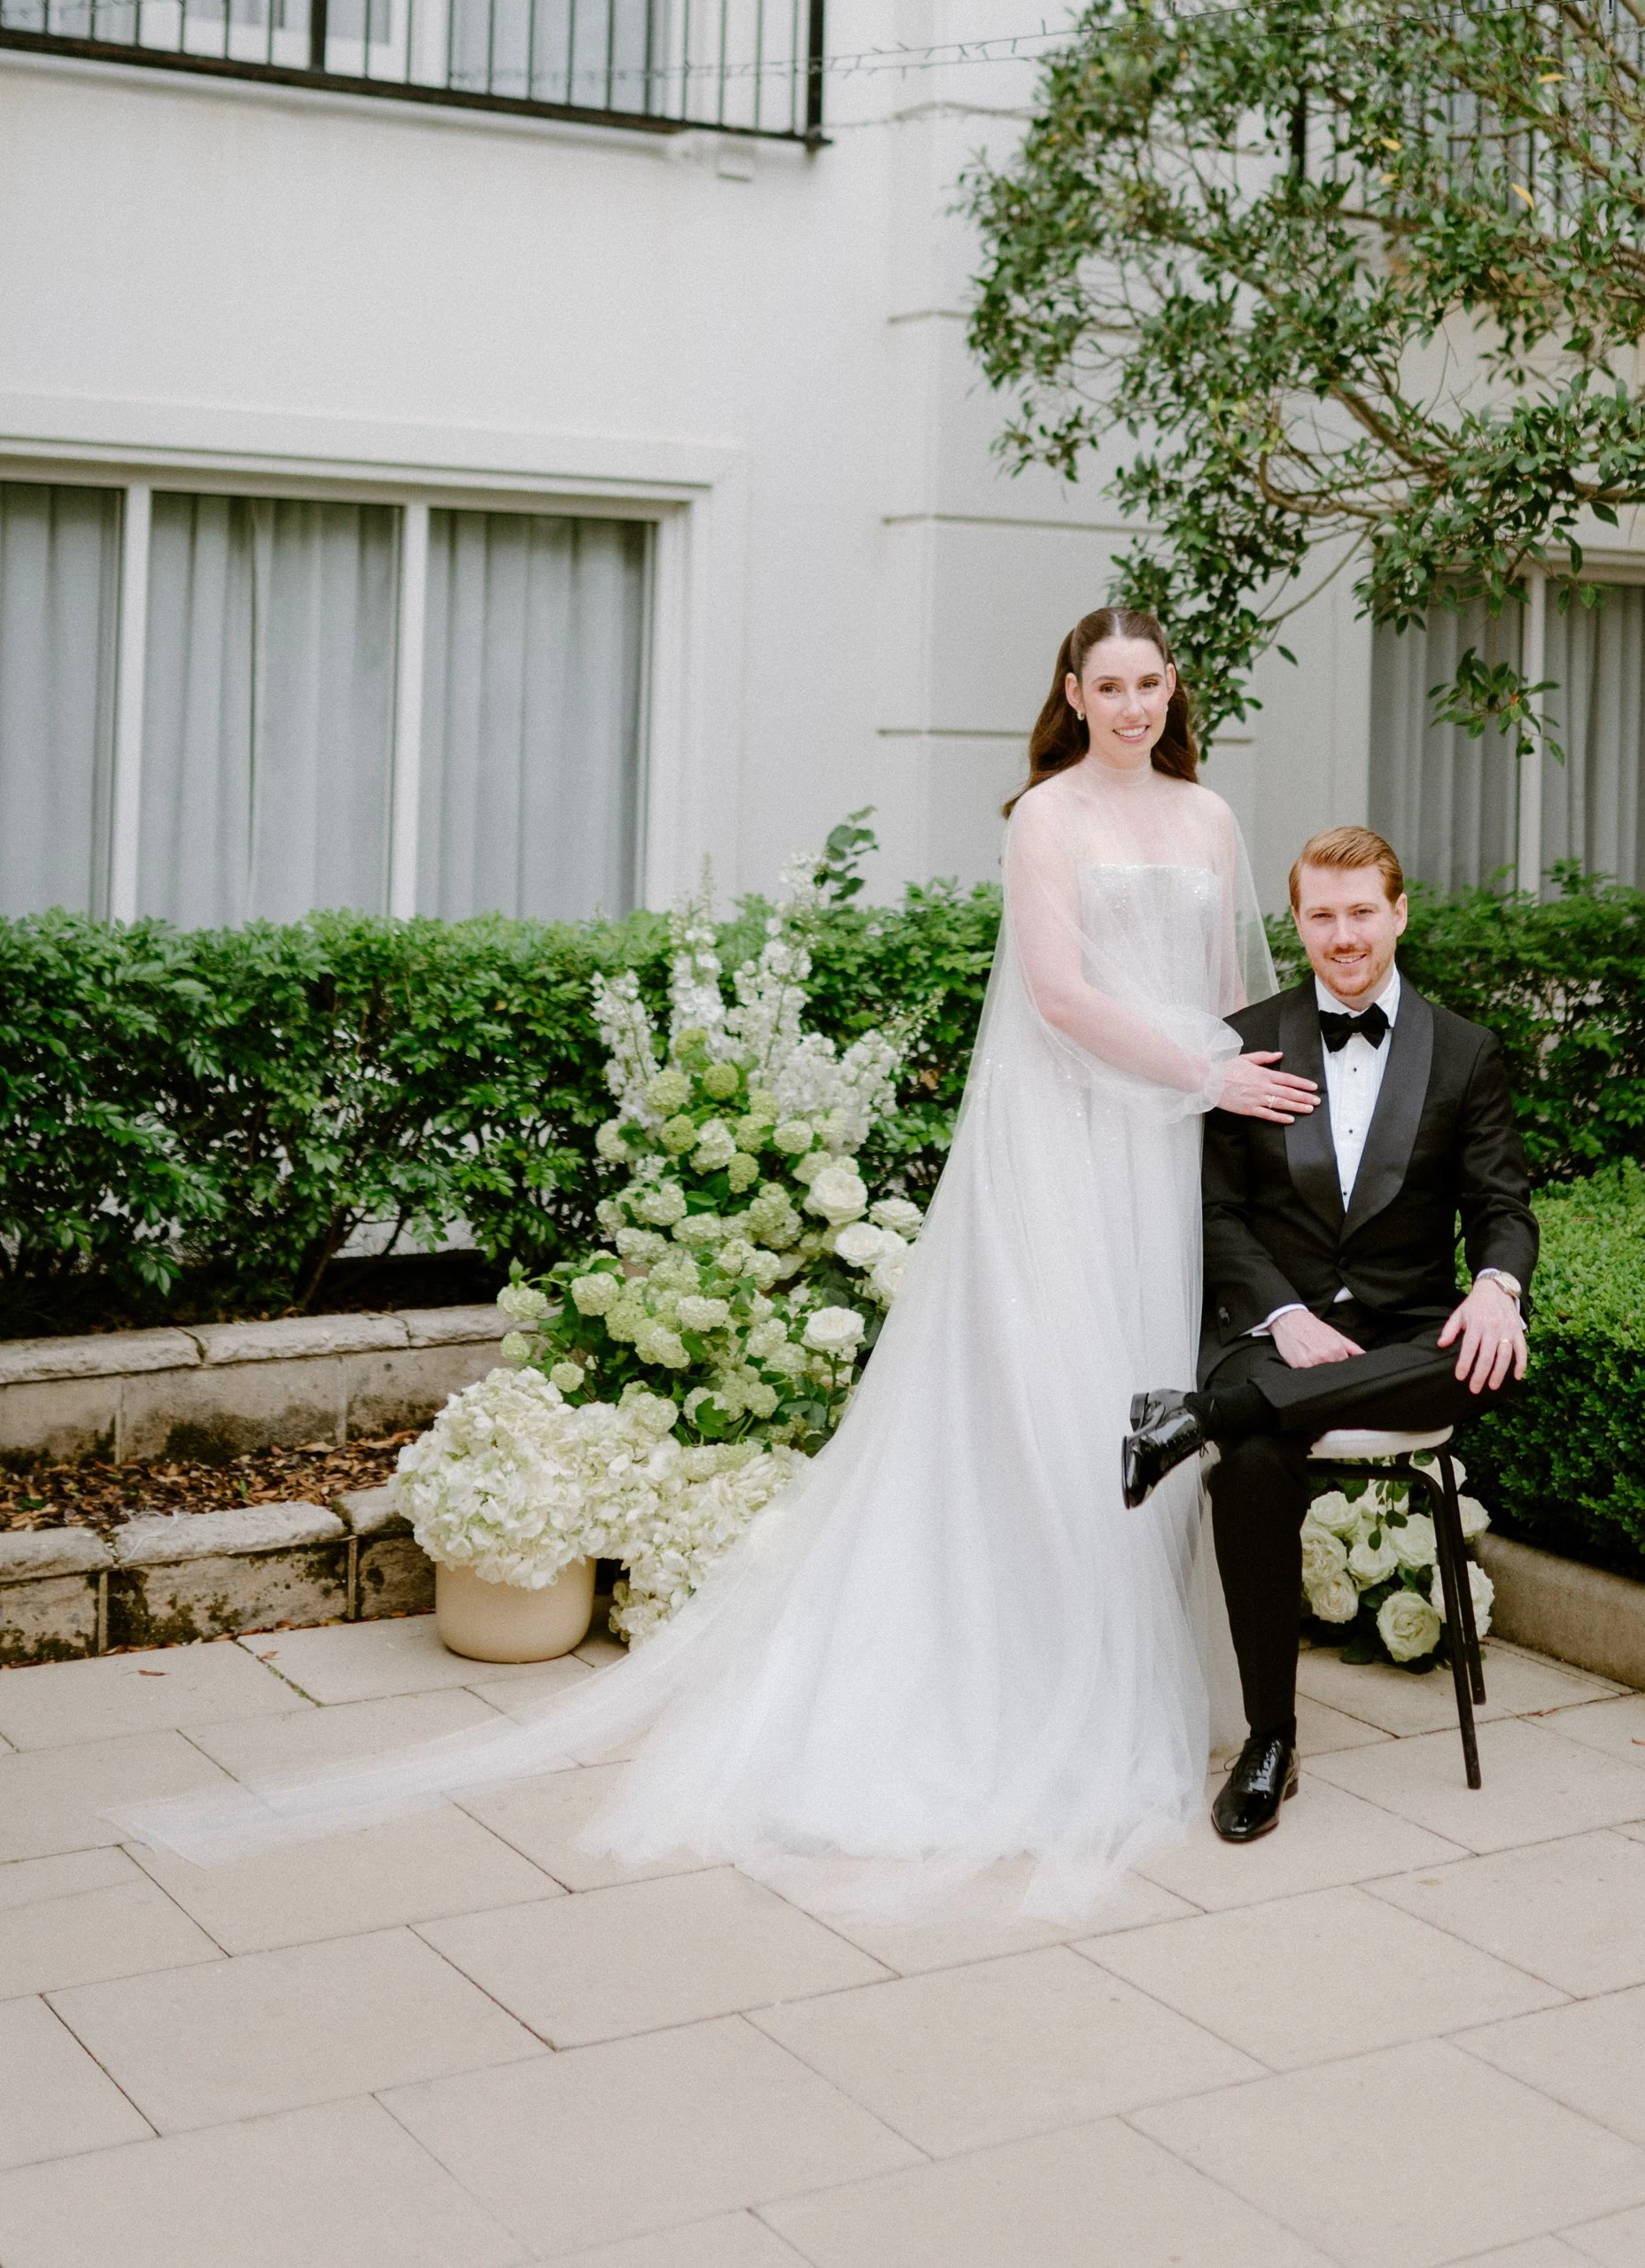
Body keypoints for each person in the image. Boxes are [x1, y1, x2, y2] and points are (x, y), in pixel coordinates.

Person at [134, 607, 1306, 1922]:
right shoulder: (1044, 817)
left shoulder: (1207, 819)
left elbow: (1225, 996)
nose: (1135, 705)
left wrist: (1226, 1093)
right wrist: (1202, 1066)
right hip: (1065, 1141)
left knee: (1149, 1391)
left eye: (1153, 683)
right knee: (1055, 1400)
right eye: (1111, 685)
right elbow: (1059, 995)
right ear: (1072, 694)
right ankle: (1038, 1679)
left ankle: (1138, 1664)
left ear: (1172, 693)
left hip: (1159, 1151)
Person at [1123, 823, 1537, 1843]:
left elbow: (1503, 1207)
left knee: (1484, 1366)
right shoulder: (1245, 1041)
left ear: (1398, 913)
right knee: (1255, 1463)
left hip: (1408, 1333)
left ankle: (1200, 1414)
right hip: (1274, 1326)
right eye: (1323, 916)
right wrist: (1285, 1316)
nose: (1343, 936)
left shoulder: (1465, 1051)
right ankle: (1271, 1741)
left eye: (1363, 913)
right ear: (1297, 922)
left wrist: (1495, 1287)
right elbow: (1215, 1212)